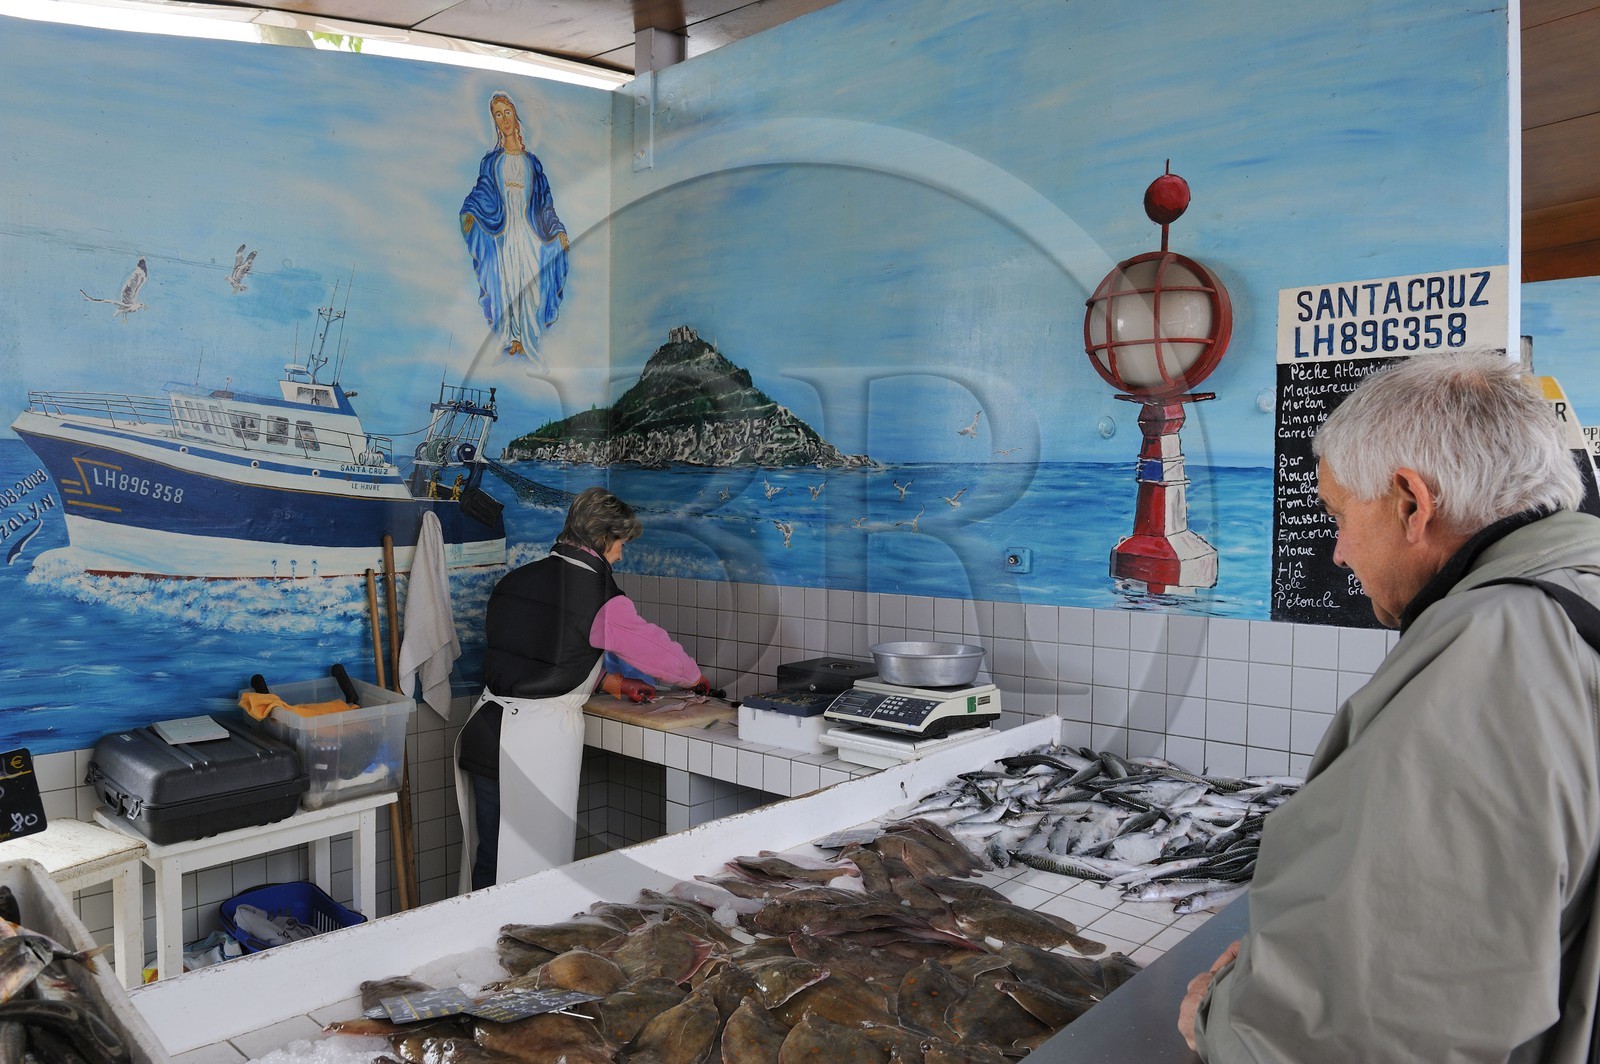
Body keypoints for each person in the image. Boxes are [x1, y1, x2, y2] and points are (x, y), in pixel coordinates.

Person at [1178, 350, 1600, 1062]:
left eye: (1340, 515)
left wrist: (1220, 1019)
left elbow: (1376, 1028)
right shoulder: (1578, 589)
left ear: (1411, 501)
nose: (1338, 552)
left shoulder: (1495, 653)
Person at [454, 487, 709, 890]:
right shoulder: (598, 598)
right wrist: (695, 679)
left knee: (493, 856)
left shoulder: (516, 580)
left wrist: (610, 681)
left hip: (485, 730)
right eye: (621, 544)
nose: (622, 554)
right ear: (604, 538)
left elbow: (536, 652)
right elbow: (656, 651)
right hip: (532, 744)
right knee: (533, 870)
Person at [461, 92, 570, 361]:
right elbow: (482, 193)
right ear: (495, 122)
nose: (504, 118)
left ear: (515, 115)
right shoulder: (491, 161)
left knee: (531, 285)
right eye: (498, 114)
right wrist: (471, 214)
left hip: (530, 232)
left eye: (507, 112)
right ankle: (511, 335)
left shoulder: (532, 162)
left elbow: (544, 202)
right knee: (508, 283)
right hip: (504, 234)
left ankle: (528, 336)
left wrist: (556, 230)